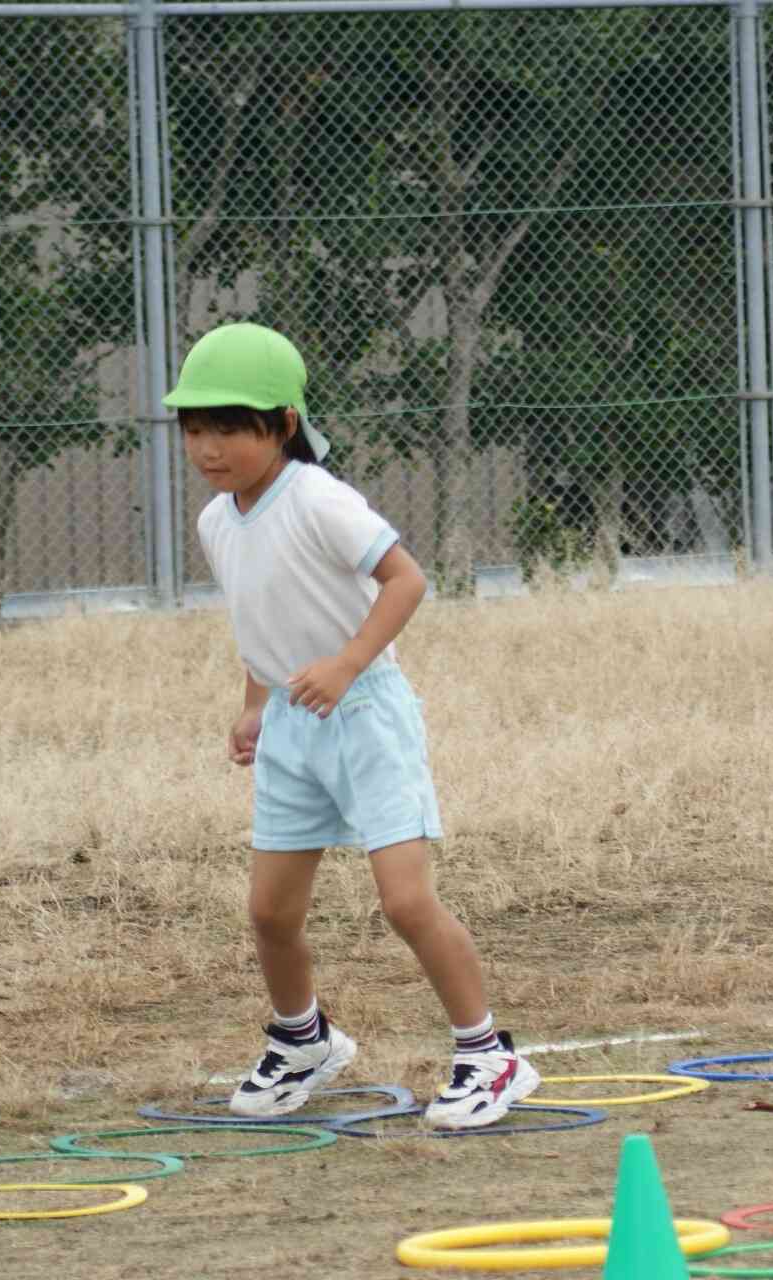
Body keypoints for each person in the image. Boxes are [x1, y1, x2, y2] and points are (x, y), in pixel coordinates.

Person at [166, 322, 538, 1129]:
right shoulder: (215, 522)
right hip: (293, 727)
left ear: (284, 425)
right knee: (270, 913)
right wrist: (256, 706)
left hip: (366, 715)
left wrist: (346, 664)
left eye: (229, 427)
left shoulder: (321, 499)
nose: (208, 447)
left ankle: (489, 1055)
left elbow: (406, 580)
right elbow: (261, 616)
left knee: (405, 902)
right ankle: (304, 1041)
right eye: (195, 428)